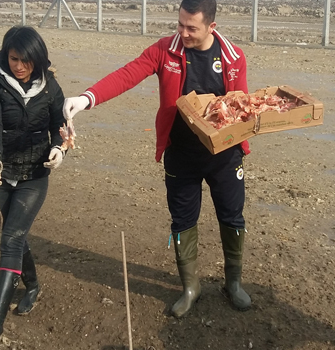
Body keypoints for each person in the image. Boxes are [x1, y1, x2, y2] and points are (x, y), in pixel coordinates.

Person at [62, 0, 251, 318]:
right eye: (180, 25)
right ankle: (190, 287)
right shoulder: (166, 51)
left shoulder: (233, 58)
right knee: (182, 220)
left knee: (232, 217)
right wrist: (86, 98)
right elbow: (127, 74)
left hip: (224, 155)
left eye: (192, 28)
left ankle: (233, 284)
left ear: (211, 27)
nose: (184, 33)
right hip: (181, 154)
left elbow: (242, 104)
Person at [0, 25, 67, 344]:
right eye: (14, 58)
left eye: (26, 60)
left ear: (38, 59)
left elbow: (61, 126)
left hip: (35, 175)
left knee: (11, 237)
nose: (19, 66)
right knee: (9, 231)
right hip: (1, 171)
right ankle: (33, 284)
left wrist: (59, 148)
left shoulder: (50, 86)